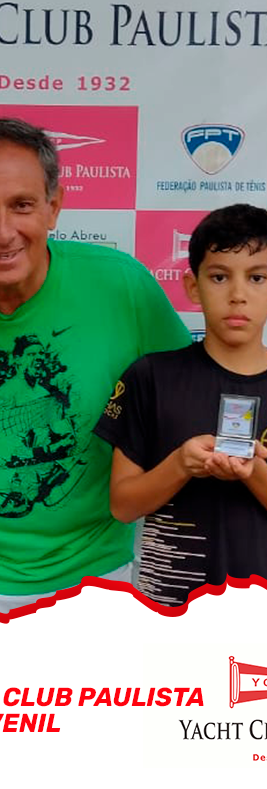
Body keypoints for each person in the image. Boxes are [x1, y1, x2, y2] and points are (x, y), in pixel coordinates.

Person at [0, 117, 190, 614]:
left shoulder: (123, 286)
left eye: (22, 205)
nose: (4, 232)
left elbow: (191, 397)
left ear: (54, 206)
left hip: (96, 574)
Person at [95, 204, 267, 607]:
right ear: (193, 286)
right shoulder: (151, 377)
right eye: (219, 277)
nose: (238, 295)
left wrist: (253, 470)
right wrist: (180, 464)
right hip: (169, 608)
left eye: (257, 277)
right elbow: (122, 506)